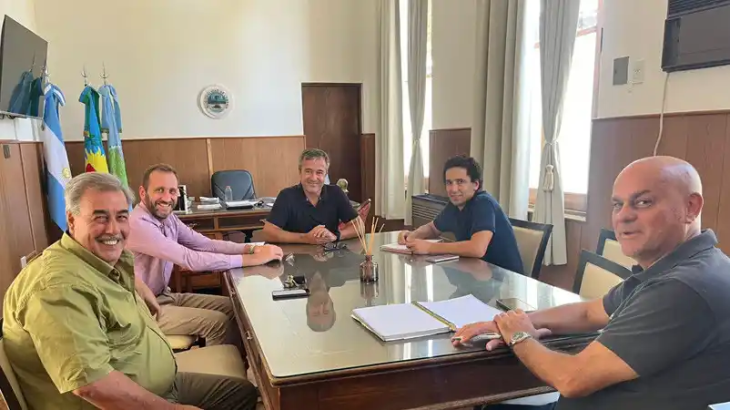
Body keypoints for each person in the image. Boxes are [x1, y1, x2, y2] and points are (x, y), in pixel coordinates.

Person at [453, 156, 730, 410]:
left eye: (643, 202)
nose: (623, 216)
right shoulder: (679, 265)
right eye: (618, 204)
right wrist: (514, 322)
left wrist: (519, 336)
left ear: (691, 207)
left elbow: (572, 379)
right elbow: (590, 312)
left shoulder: (683, 288)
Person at [2, 172, 257, 410]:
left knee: (241, 393)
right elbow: (92, 385)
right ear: (71, 219)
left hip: (162, 384)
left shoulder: (97, 260)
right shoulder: (57, 288)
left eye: (122, 216)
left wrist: (138, 286)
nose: (113, 229)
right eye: (100, 217)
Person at [126, 163, 283, 346]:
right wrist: (253, 259)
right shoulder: (138, 224)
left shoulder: (168, 218)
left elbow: (205, 244)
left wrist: (249, 249)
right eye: (160, 190)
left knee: (235, 308)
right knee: (218, 323)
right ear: (143, 192)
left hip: (163, 296)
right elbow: (190, 259)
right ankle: (219, 364)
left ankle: (242, 361)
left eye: (172, 191)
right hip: (142, 308)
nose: (167, 197)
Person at [397, 155, 524, 274]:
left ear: (475, 184)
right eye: (449, 183)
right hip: (477, 273)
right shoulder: (455, 205)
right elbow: (432, 228)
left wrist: (430, 247)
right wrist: (411, 236)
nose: (453, 189)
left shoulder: (483, 203)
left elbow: (477, 249)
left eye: (460, 182)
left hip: (504, 280)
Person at [262, 148, 361, 244]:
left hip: (329, 252)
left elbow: (360, 226)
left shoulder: (336, 193)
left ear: (325, 174)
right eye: (308, 171)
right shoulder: (286, 196)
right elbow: (268, 233)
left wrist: (336, 236)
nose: (313, 178)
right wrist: (305, 238)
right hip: (294, 254)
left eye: (319, 172)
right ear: (300, 172)